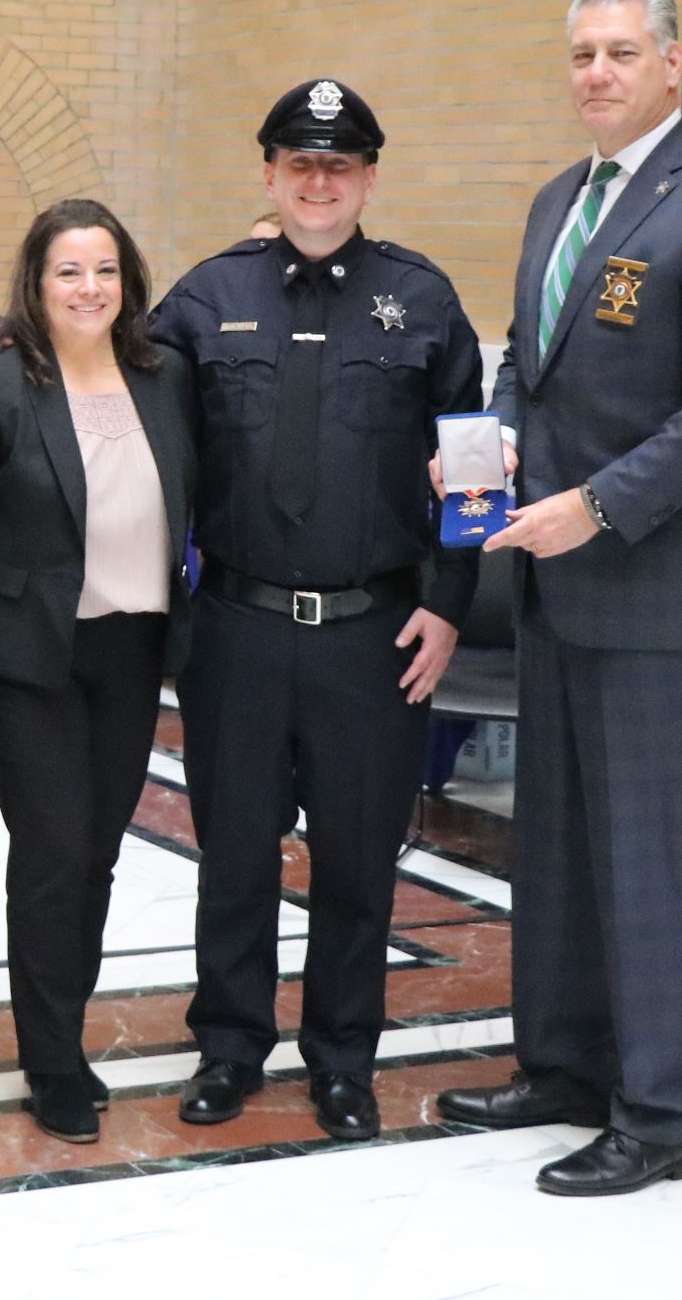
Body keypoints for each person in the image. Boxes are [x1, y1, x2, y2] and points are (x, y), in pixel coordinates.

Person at [437, 0, 682, 1196]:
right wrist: (492, 442)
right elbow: (526, 368)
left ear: (671, 64)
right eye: (583, 53)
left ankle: (659, 1111)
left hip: (654, 592)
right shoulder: (559, 200)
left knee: (650, 862)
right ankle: (563, 1064)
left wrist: (596, 504)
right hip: (556, 587)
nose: (597, 72)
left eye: (622, 52)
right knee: (557, 850)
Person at [150, 80, 483, 1139]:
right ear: (269, 172)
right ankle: (229, 1046)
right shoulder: (206, 296)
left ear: (369, 179)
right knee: (235, 856)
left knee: (355, 861)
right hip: (237, 629)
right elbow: (113, 396)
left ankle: (343, 1060)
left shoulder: (421, 300)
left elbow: (472, 464)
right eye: (300, 163)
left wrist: (449, 606)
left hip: (372, 634)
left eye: (340, 164)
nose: (319, 181)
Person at [0, 199, 195, 1144]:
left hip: (132, 650)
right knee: (51, 857)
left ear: (129, 281)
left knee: (99, 855)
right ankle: (51, 1060)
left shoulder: (165, 378)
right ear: (36, 285)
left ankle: (65, 1029)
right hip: (31, 658)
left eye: (105, 270)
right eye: (68, 271)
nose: (89, 288)